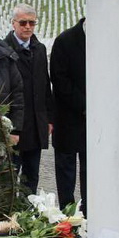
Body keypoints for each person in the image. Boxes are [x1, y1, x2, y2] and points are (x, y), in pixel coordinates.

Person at [3, 4, 54, 194]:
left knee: (32, 175)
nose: (27, 27)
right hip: (14, 123)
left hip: (35, 121)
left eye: (32, 23)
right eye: (23, 22)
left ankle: (28, 215)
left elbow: (45, 84)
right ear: (13, 23)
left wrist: (49, 118)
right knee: (10, 175)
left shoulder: (39, 49)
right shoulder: (3, 49)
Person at [50, 17, 86, 214]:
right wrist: (85, 105)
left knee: (90, 171)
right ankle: (67, 214)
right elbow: (59, 79)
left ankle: (90, 212)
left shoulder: (107, 39)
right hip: (68, 118)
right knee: (66, 171)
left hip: (95, 121)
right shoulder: (65, 40)